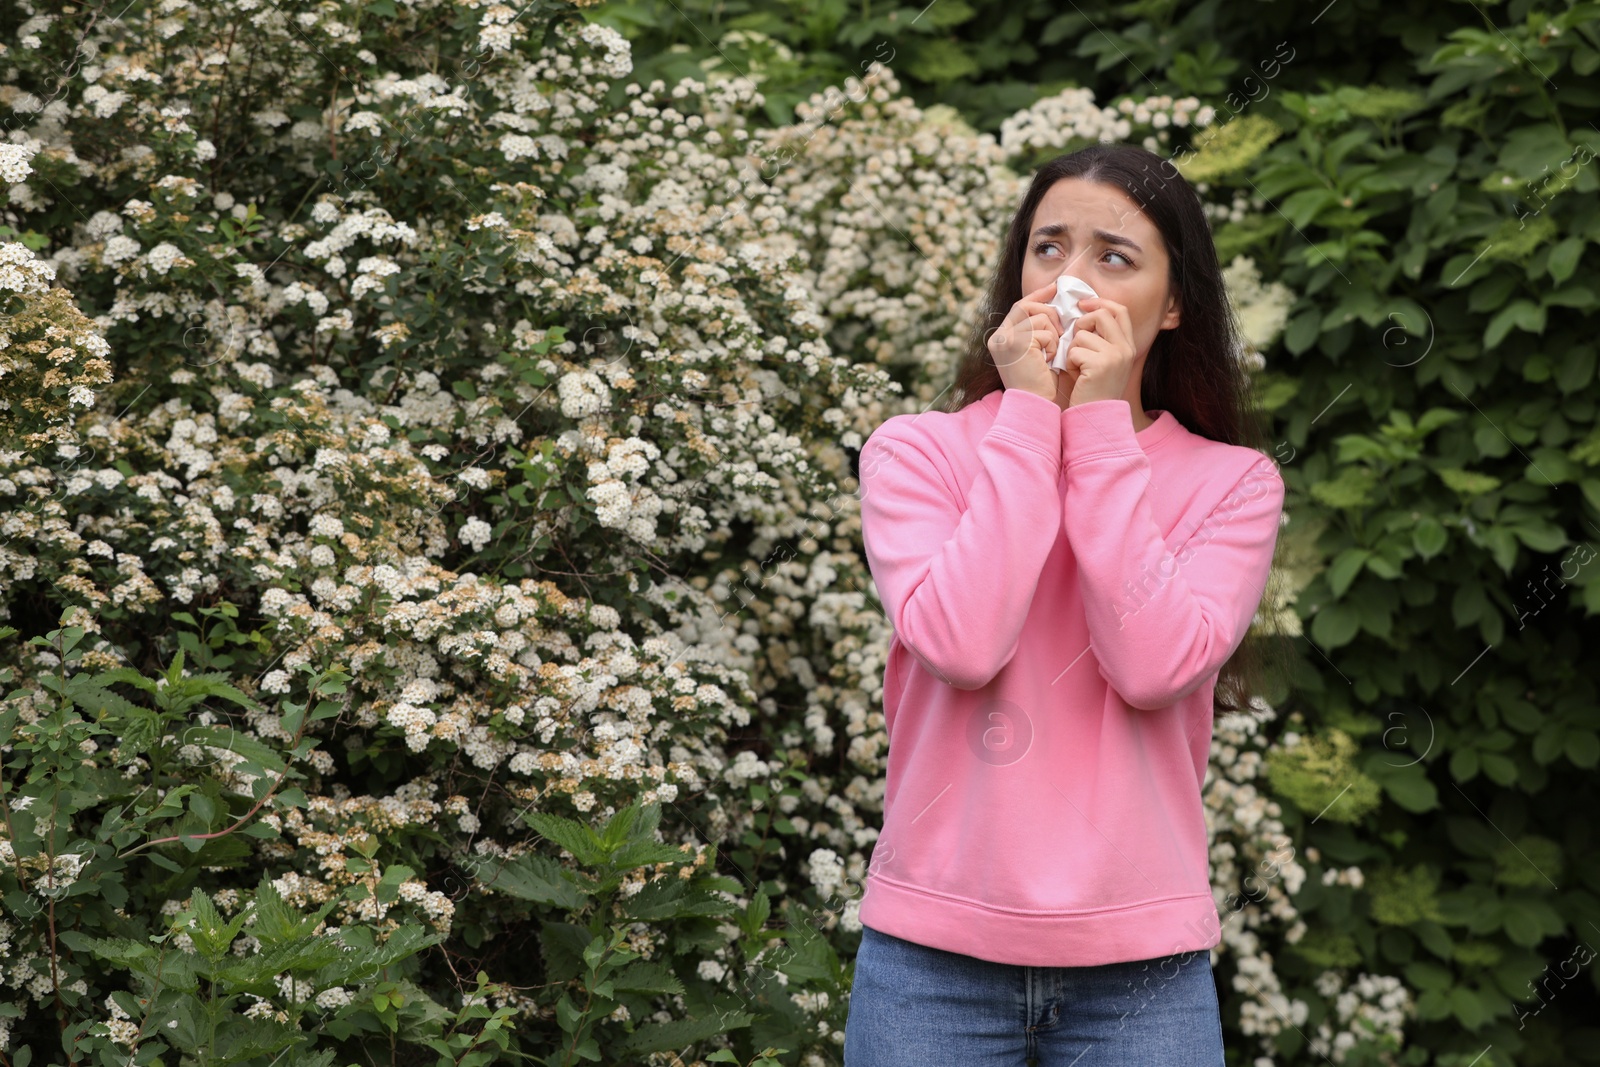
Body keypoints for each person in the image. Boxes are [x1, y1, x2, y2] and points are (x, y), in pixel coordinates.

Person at [842, 142, 1290, 1066]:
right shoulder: (917, 453)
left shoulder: (1234, 483)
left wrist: (1091, 428)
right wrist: (1031, 421)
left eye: (1113, 258)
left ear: (1172, 307)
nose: (1070, 284)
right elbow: (963, 643)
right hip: (933, 958)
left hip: (1141, 971)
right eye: (1048, 249)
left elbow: (1152, 666)